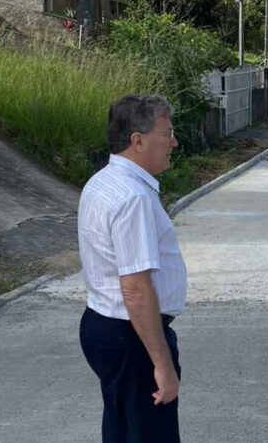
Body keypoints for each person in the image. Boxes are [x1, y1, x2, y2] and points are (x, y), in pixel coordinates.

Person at [78, 94, 186, 443]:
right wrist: (163, 364)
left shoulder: (102, 182)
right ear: (137, 141)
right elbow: (136, 289)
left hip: (105, 325)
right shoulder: (133, 198)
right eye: (166, 133)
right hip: (132, 336)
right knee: (151, 434)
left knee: (122, 428)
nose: (174, 142)